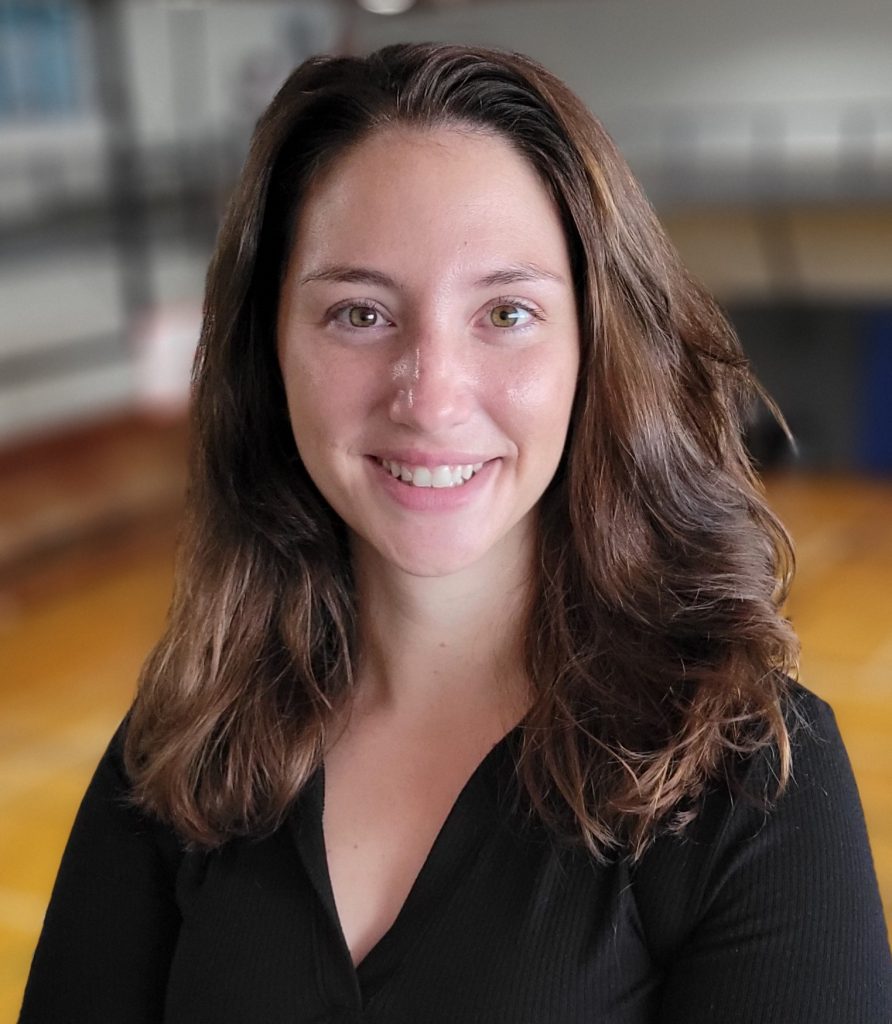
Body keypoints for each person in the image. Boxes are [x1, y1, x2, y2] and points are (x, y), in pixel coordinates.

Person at [20, 43, 891, 1023]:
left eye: (506, 312)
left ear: (595, 345)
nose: (429, 395)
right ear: (268, 351)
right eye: (358, 313)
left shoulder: (750, 777)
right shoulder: (187, 740)